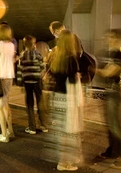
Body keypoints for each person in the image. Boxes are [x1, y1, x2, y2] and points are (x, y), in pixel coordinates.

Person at [46, 30, 83, 172]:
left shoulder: (57, 58)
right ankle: (64, 162)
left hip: (57, 97)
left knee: (61, 131)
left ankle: (62, 160)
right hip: (68, 99)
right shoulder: (71, 59)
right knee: (69, 131)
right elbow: (73, 82)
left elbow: (55, 77)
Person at [95, 29, 121, 167]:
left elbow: (109, 72)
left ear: (116, 39)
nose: (106, 38)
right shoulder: (105, 53)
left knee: (115, 126)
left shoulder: (118, 55)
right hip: (107, 92)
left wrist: (95, 70)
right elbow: (102, 71)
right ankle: (112, 151)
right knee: (109, 124)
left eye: (109, 37)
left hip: (114, 93)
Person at [19, 35, 48, 134]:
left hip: (27, 82)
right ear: (34, 44)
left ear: (24, 45)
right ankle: (44, 125)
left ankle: (32, 127)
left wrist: (20, 82)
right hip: (37, 80)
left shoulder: (22, 55)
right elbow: (42, 67)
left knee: (30, 104)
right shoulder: (38, 54)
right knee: (40, 102)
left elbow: (20, 70)